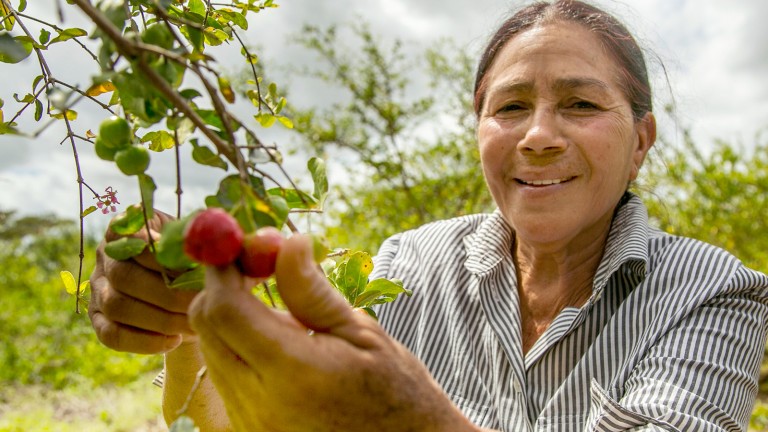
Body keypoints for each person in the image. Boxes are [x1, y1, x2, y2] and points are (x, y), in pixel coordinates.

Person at [88, 1, 768, 430]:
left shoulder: (715, 292)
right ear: (479, 135)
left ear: (641, 142)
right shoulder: (407, 265)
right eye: (508, 108)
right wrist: (186, 324)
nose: (538, 135)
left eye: (582, 105)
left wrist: (407, 421)